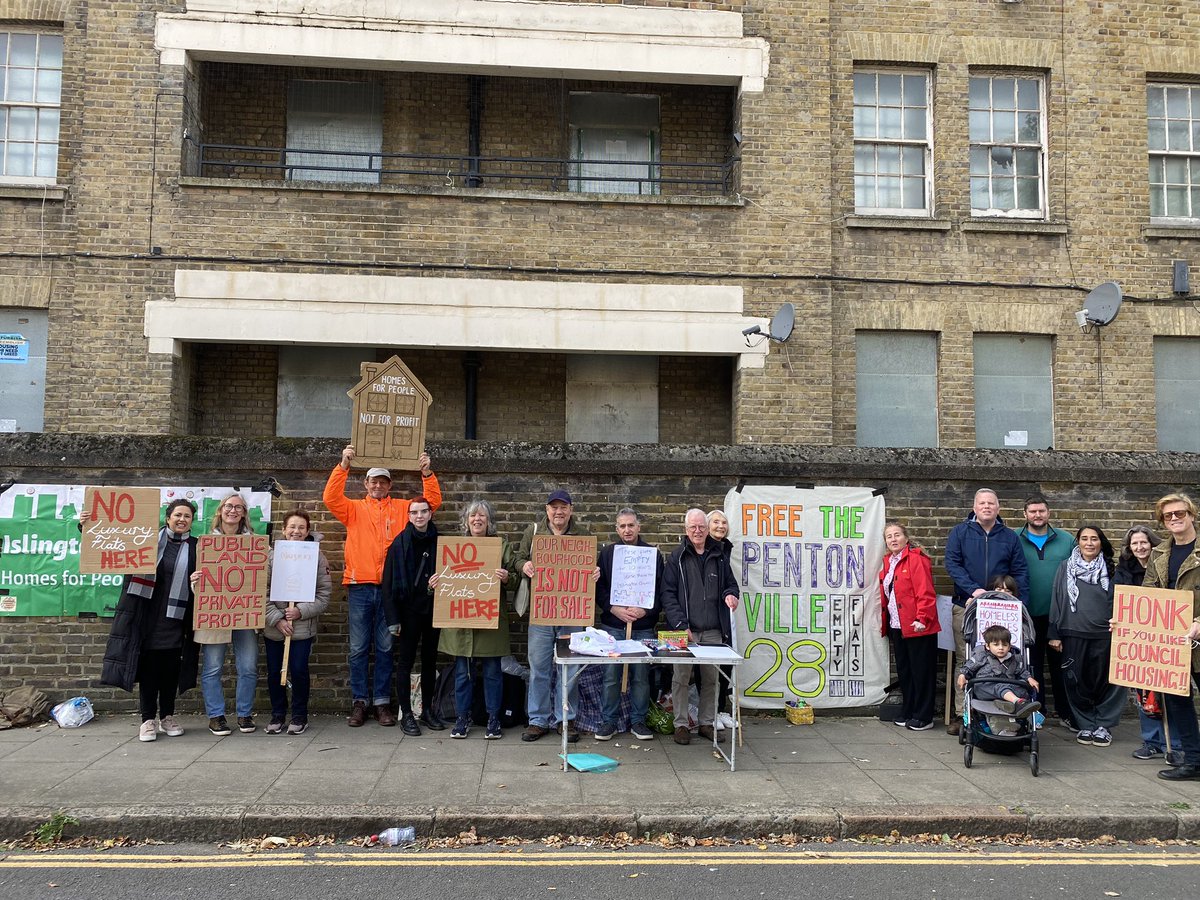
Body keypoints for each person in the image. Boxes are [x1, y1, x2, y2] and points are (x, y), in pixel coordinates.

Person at [323, 445, 441, 727]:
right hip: (360, 586)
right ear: (365, 484)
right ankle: (360, 702)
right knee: (359, 648)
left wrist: (427, 473)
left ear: (390, 485)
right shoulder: (353, 508)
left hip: (392, 592)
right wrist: (342, 466)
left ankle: (381, 703)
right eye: (373, 481)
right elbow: (330, 498)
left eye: (383, 481)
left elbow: (431, 503)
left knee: (387, 647)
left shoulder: (403, 508)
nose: (378, 485)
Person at [100, 498, 200, 743]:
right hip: (147, 616)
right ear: (167, 518)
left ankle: (167, 716)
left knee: (170, 670)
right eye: (177, 515)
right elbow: (110, 545)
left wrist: (199, 580)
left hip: (177, 618)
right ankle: (147, 720)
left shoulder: (198, 547)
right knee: (149, 671)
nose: (182, 519)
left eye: (187, 516)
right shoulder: (144, 541)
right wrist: (87, 527)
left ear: (191, 522)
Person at [943, 488, 1029, 734]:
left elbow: (1020, 571)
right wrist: (974, 590)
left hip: (1001, 610)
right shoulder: (960, 532)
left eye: (991, 503)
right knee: (966, 659)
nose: (987, 507)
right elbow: (953, 564)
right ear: (974, 506)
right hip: (966, 605)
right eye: (982, 503)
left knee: (1006, 657)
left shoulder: (1010, 537)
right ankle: (964, 714)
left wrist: (1020, 603)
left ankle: (1005, 710)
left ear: (998, 508)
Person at [514, 489, 594, 743]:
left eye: (563, 507)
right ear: (547, 510)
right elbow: (517, 558)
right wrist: (523, 565)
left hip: (571, 611)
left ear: (570, 510)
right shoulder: (534, 531)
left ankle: (565, 720)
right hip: (541, 610)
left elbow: (590, 566)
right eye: (553, 507)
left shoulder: (582, 535)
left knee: (569, 668)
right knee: (539, 667)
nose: (558, 512)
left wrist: (594, 573)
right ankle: (537, 720)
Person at [434, 498, 518, 740]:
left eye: (482, 516)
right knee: (463, 674)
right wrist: (434, 585)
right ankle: (462, 717)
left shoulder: (500, 546)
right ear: (466, 521)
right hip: (462, 622)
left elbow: (515, 577)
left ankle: (493, 719)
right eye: (473, 516)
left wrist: (506, 578)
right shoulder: (454, 547)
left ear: (489, 521)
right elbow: (443, 581)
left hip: (489, 620)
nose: (477, 519)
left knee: (493, 673)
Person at [661, 508, 739, 746]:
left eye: (701, 527)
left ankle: (706, 722)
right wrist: (680, 624)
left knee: (711, 679)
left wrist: (731, 596)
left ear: (707, 529)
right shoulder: (677, 558)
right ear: (686, 530)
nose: (698, 531)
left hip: (713, 629)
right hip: (684, 630)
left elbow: (731, 585)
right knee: (681, 678)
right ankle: (681, 725)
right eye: (693, 527)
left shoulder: (720, 556)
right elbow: (668, 594)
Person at [1141, 493, 1200, 781]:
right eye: (1168, 516)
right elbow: (1148, 594)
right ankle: (1193, 761)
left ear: (1192, 514)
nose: (1174, 519)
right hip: (1170, 642)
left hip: (1198, 636)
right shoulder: (1159, 553)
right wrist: (1127, 621)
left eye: (1179, 513)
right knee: (1178, 702)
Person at [1048, 525, 1124, 747]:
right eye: (1084, 539)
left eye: (1094, 539)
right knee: (1075, 682)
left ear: (1101, 542)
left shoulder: (1113, 570)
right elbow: (1057, 598)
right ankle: (1086, 724)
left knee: (1106, 682)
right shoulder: (1065, 567)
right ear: (1078, 542)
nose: (1089, 543)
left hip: (1105, 634)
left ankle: (1103, 726)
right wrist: (1054, 633)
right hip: (1073, 633)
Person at [194, 492, 261, 737]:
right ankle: (216, 716)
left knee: (249, 666)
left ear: (244, 514)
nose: (233, 511)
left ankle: (244, 713)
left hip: (244, 613)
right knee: (212, 667)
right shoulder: (205, 542)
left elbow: (260, 579)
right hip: (214, 613)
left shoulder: (254, 543)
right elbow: (197, 582)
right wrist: (195, 582)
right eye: (229, 506)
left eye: (239, 507)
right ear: (220, 510)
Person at [594, 508, 663, 742]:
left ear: (638, 527)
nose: (627, 530)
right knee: (611, 675)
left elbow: (661, 591)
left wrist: (645, 610)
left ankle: (638, 721)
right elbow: (599, 588)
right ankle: (609, 721)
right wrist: (613, 609)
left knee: (641, 676)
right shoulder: (607, 554)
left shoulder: (653, 555)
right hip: (613, 625)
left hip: (642, 626)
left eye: (631, 525)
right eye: (622, 526)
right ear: (616, 528)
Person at [262, 509, 331, 735]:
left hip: (302, 628)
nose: (296, 531)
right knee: (274, 672)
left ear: (308, 531)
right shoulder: (272, 557)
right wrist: (277, 618)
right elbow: (261, 592)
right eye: (292, 527)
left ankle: (300, 715)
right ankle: (277, 714)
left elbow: (324, 595)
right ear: (284, 529)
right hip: (275, 628)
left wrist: (300, 612)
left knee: (299, 670)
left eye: (301, 527)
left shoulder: (318, 558)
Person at [1114, 525, 1179, 763]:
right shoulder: (1123, 570)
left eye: (1144, 542)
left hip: (1167, 637)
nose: (1140, 547)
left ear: (1152, 543)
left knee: (1171, 690)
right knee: (1144, 690)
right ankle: (1151, 742)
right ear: (1129, 548)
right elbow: (1117, 599)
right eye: (1135, 544)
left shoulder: (1167, 566)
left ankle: (1175, 743)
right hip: (1139, 638)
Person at [381, 496, 442, 735]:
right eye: (414, 512)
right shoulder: (399, 543)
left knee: (430, 661)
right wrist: (392, 618)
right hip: (407, 611)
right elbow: (388, 585)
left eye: (423, 511)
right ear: (408, 516)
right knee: (405, 662)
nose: (419, 516)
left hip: (433, 609)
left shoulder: (441, 541)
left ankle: (427, 711)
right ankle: (407, 714)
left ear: (430, 514)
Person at [1015, 495, 1075, 728]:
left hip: (1060, 615)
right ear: (1025, 514)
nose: (1037, 515)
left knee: (1062, 668)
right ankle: (1036, 713)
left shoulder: (1066, 540)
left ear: (1048, 513)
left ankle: (1066, 714)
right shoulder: (1014, 538)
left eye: (1041, 511)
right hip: (1027, 614)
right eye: (1032, 511)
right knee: (1032, 667)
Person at [878, 521, 940, 731]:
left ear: (906, 538)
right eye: (889, 536)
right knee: (905, 671)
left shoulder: (916, 559)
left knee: (921, 672)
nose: (893, 539)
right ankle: (910, 710)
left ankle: (924, 716)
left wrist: (922, 618)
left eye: (897, 535)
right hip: (897, 625)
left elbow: (925, 592)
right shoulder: (888, 561)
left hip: (918, 625)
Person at [957, 624, 1040, 717]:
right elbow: (968, 667)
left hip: (1008, 686)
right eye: (996, 645)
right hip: (986, 687)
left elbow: (1021, 671)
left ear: (1009, 647)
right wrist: (962, 675)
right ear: (987, 646)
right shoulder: (981, 656)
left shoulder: (1014, 659)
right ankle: (1018, 702)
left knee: (1022, 686)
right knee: (1000, 687)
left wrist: (1029, 678)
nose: (1001, 648)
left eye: (1005, 645)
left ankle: (1008, 705)